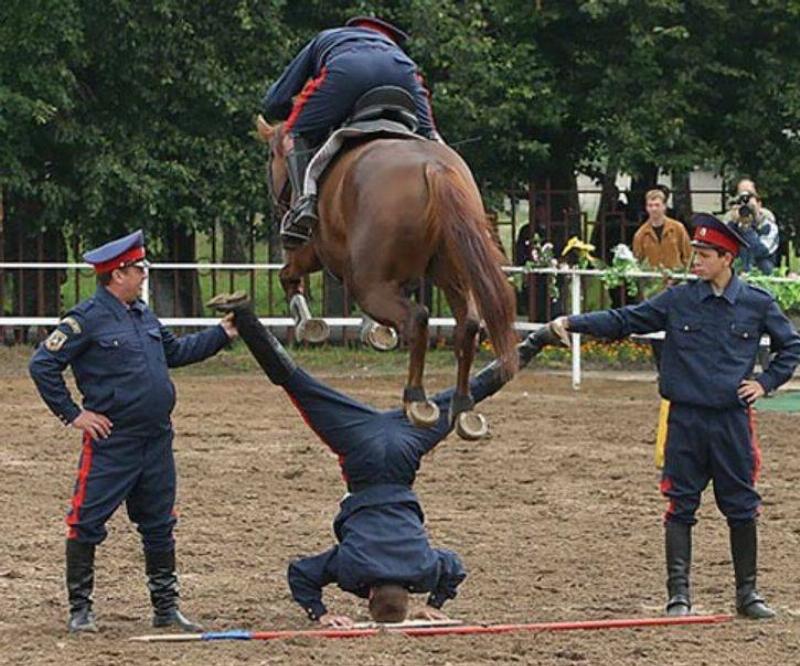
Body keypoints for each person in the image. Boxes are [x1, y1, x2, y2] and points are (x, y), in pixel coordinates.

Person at [207, 292, 558, 626]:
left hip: (407, 447)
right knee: (299, 385)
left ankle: (537, 340)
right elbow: (301, 573)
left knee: (469, 394)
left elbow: (454, 567)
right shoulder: (351, 571)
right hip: (359, 450)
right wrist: (319, 612)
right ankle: (246, 315)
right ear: (369, 594)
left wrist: (433, 603)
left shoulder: (424, 571)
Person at [549, 214, 800, 620]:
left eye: (703, 255)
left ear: (726, 258)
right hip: (684, 420)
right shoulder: (678, 299)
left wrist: (766, 383)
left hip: (731, 422)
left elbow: (791, 346)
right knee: (680, 505)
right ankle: (678, 595)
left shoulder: (757, 302)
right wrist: (572, 323)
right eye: (695, 254)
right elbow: (625, 319)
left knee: (740, 506)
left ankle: (748, 594)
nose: (694, 261)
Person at [29, 230, 238, 634]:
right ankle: (81, 611)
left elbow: (174, 354)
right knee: (86, 521)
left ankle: (166, 609)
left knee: (159, 524)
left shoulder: (143, 315)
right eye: (138, 268)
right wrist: (73, 414)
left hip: (156, 439)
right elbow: (42, 365)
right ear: (116, 273)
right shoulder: (85, 319)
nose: (143, 274)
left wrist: (221, 335)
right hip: (113, 441)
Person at [262, 16, 439, 248]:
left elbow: (277, 99)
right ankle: (468, 201)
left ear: (352, 29)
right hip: (403, 73)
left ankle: (304, 204)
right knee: (432, 138)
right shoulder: (395, 49)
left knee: (291, 136)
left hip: (347, 70)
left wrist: (292, 114)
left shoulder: (328, 38)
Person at [724, 179, 779, 275]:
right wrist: (734, 225)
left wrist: (746, 228)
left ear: (759, 203)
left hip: (762, 277)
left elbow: (761, 251)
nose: (746, 201)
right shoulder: (730, 221)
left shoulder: (768, 224)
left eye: (749, 196)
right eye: (741, 197)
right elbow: (723, 250)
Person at [632, 189, 692, 272]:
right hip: (652, 281)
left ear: (664, 206)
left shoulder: (678, 228)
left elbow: (688, 256)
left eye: (657, 205)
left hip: (676, 280)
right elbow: (637, 262)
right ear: (646, 208)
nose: (654, 209)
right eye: (650, 205)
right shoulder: (640, 234)